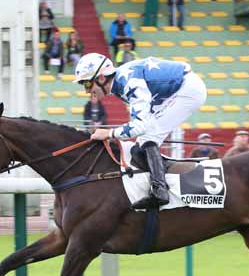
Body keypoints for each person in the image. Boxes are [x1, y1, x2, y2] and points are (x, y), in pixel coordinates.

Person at [75, 53, 207, 209]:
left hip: (187, 90)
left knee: (149, 137)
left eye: (87, 85)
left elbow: (139, 126)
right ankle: (163, 184)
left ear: (102, 78)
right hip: (171, 92)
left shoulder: (129, 82)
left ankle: (160, 192)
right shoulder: (120, 84)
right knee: (141, 146)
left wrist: (109, 133)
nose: (87, 91)